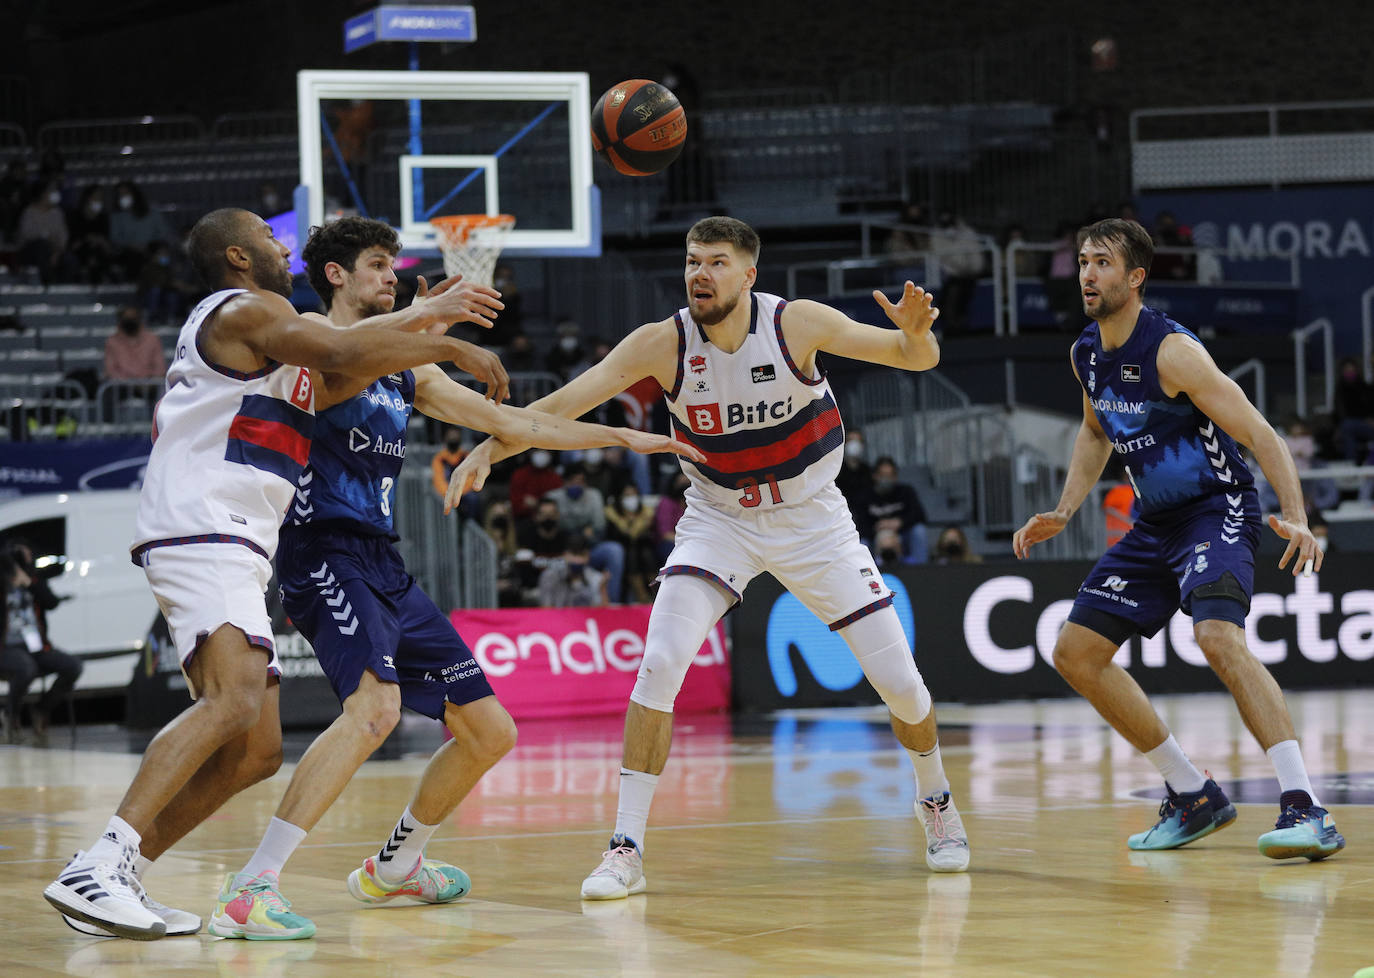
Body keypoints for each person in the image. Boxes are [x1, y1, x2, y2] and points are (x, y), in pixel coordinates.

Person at [447, 215, 971, 900]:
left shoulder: (797, 325)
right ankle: (625, 847)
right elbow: (565, 403)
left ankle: (934, 799)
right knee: (660, 659)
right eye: (693, 260)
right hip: (718, 519)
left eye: (717, 262)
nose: (700, 273)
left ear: (749, 274)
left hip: (812, 521)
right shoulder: (663, 343)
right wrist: (492, 446)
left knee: (901, 683)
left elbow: (916, 359)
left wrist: (916, 330)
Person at [213, 216, 701, 939]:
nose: (390, 274)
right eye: (377, 264)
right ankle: (252, 887)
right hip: (320, 554)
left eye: (392, 266)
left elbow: (511, 422)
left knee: (489, 730)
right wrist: (425, 323)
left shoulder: (410, 368)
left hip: (382, 560)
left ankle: (397, 867)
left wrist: (619, 435)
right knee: (374, 713)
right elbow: (346, 367)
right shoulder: (308, 339)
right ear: (338, 275)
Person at [43, 206, 511, 941]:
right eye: (268, 235)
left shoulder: (272, 341)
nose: (281, 242)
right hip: (203, 524)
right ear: (237, 255)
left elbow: (349, 364)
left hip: (232, 538)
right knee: (232, 703)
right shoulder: (247, 309)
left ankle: (116, 876)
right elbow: (341, 347)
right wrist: (441, 325)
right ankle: (98, 864)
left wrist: (425, 335)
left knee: (255, 753)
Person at [1012, 217, 1344, 862]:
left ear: (1135, 278)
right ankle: (1192, 795)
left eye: (1103, 262)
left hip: (1214, 509)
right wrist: (1064, 507)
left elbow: (1261, 433)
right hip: (1155, 523)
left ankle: (1307, 807)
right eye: (1082, 260)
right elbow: (1093, 432)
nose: (1087, 273)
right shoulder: (1086, 353)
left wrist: (1298, 513)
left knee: (1217, 635)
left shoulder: (1173, 352)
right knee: (1075, 653)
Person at [1, 545, 83, 743]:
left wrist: (28, 582)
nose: (28, 557)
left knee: (73, 666)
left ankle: (41, 709)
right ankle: (10, 716)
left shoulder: (34, 581)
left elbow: (51, 602)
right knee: (26, 667)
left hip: (36, 648)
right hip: (6, 649)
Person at [862, 456, 928, 565]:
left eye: (890, 475)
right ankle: (867, 574)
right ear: (875, 476)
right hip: (875, 537)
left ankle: (920, 569)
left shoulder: (906, 492)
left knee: (919, 531)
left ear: (895, 477)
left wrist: (899, 522)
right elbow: (859, 525)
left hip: (902, 535)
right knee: (862, 542)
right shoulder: (865, 496)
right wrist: (879, 528)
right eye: (883, 475)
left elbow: (920, 515)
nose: (886, 479)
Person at [102, 306, 167, 381]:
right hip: (120, 388)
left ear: (139, 319)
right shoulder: (111, 342)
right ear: (120, 320)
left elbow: (160, 368)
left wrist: (146, 383)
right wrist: (129, 383)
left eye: (133, 318)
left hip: (149, 389)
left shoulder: (153, 340)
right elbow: (110, 370)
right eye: (127, 319)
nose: (130, 321)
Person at [538, 537, 607, 607]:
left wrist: (602, 589)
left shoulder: (596, 578)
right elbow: (546, 610)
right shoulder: (550, 576)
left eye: (581, 555)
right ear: (565, 555)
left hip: (585, 617)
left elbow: (601, 612)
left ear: (588, 556)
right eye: (574, 554)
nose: (577, 560)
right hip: (558, 617)